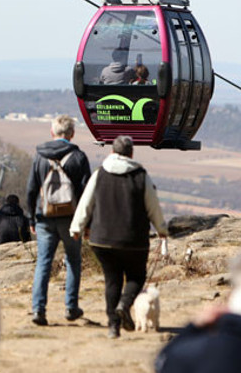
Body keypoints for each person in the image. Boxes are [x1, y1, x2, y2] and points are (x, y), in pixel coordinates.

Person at [69, 135, 169, 338]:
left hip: (102, 239)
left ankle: (113, 326)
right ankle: (124, 304)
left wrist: (77, 228)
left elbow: (86, 203)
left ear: (112, 152)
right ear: (131, 153)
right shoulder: (141, 175)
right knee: (137, 277)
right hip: (133, 239)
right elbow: (153, 206)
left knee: (112, 281)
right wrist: (162, 229)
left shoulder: (100, 173)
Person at [26, 114, 91, 325]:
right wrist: (86, 222)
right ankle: (71, 307)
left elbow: (30, 190)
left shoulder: (39, 156)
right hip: (71, 219)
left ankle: (38, 310)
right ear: (72, 134)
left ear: (52, 132)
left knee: (43, 263)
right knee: (73, 261)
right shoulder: (78, 157)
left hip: (44, 217)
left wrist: (31, 219)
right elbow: (86, 193)